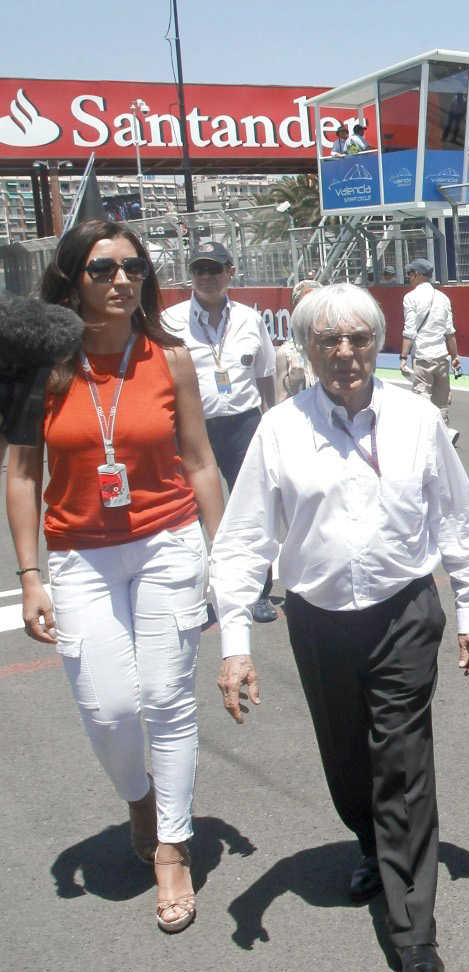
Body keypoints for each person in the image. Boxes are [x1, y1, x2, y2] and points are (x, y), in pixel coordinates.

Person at [209, 283, 469, 972]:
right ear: (304, 348)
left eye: (359, 338)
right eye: (328, 340)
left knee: (402, 762)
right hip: (318, 619)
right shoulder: (281, 428)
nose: (344, 353)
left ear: (378, 344)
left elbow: (458, 517)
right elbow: (243, 539)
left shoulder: (417, 418)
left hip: (403, 613)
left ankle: (414, 929)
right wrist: (236, 643)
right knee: (346, 758)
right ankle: (370, 840)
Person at [6, 219, 226, 933]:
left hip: (167, 541)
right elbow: (21, 474)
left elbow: (200, 461)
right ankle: (140, 796)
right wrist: (31, 576)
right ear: (73, 280)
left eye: (133, 267)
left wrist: (226, 556)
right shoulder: (40, 365)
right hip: (80, 554)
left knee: (166, 696)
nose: (121, 280)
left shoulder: (171, 357)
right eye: (102, 269)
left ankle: (173, 845)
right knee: (108, 707)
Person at [161, 240, 278, 623]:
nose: (207, 277)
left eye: (215, 269)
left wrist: (271, 420)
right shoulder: (170, 321)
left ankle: (257, 591)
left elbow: (265, 374)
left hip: (244, 425)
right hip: (192, 429)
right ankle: (192, 593)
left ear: (231, 272)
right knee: (189, 513)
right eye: (200, 269)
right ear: (190, 275)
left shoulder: (249, 319)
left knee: (252, 511)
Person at [400, 259, 462, 446]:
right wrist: (455, 356)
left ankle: (425, 438)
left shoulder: (410, 298)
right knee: (441, 401)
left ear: (417, 275)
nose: (409, 277)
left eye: (410, 274)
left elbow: (409, 331)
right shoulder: (443, 298)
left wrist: (403, 357)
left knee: (421, 399)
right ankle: (445, 433)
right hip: (442, 356)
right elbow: (450, 332)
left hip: (423, 356)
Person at [275, 279, 320, 399]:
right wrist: (294, 384)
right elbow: (280, 404)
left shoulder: (335, 346)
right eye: (305, 307)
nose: (312, 312)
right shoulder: (286, 353)